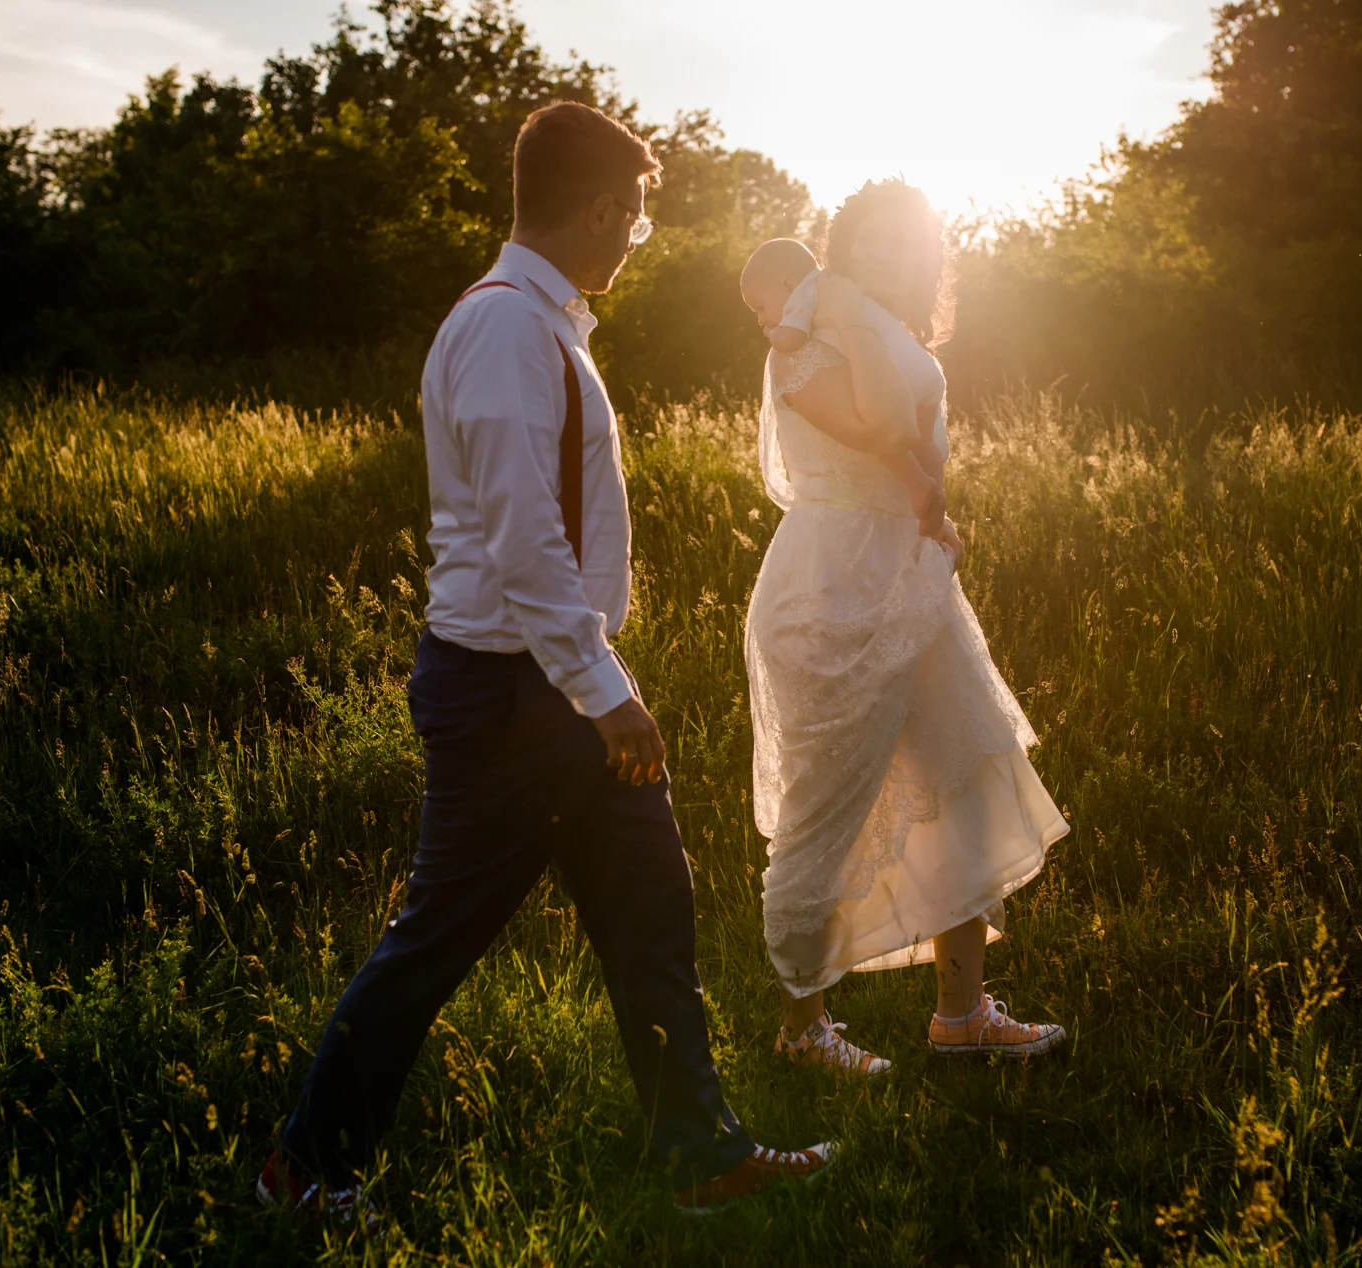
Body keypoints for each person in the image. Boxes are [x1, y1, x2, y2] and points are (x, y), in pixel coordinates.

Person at [258, 101, 833, 1222]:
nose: (638, 240)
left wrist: (594, 681)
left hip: (554, 683)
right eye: (640, 219)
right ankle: (305, 1170)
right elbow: (525, 539)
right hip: (512, 695)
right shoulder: (505, 329)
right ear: (604, 209)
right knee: (437, 940)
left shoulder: (544, 324)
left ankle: (702, 1155)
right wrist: (604, 693)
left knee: (651, 913)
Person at [745, 180, 1071, 1078]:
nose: (893, 256)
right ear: (843, 250)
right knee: (824, 809)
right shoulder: (808, 340)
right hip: (830, 586)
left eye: (909, 242)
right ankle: (803, 1029)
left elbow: (916, 451)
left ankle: (961, 1015)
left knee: (965, 780)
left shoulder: (885, 329)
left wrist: (932, 510)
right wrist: (847, 311)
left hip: (910, 577)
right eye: (875, 241)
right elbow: (884, 424)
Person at [741, 237, 947, 537]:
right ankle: (936, 495)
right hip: (919, 375)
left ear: (788, 284)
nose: (761, 318)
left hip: (888, 390)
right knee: (926, 445)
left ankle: (919, 485)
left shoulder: (806, 294)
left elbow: (792, 337)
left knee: (887, 441)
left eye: (760, 307)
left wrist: (775, 334)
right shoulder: (846, 289)